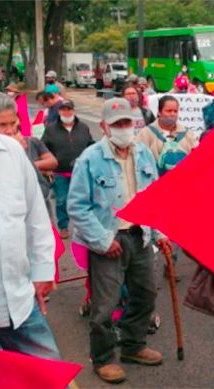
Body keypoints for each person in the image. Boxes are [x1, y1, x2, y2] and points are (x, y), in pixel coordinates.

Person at [0, 72, 61, 361]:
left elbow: (36, 217)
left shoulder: (11, 152)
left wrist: (43, 271)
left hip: (19, 300)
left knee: (49, 374)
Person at [67, 98, 166, 384]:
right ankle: (103, 358)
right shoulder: (90, 158)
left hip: (140, 235)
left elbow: (154, 200)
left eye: (127, 122)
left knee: (145, 294)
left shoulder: (144, 153)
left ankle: (134, 346)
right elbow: (77, 207)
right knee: (105, 305)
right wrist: (102, 240)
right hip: (108, 239)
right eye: (117, 124)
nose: (124, 128)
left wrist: (160, 235)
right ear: (104, 127)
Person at [0, 93, 57, 207]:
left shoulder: (29, 142)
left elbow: (39, 190)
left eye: (12, 123)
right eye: (2, 125)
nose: (9, 131)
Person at [41, 99, 94, 239]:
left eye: (69, 109)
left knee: (83, 200)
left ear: (73, 111)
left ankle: (83, 227)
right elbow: (43, 148)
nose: (66, 112)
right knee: (61, 200)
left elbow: (90, 145)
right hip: (60, 173)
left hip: (80, 172)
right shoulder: (51, 129)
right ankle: (63, 226)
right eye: (63, 109)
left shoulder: (83, 127)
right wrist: (47, 166)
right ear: (59, 112)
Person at [135, 95, 198, 173]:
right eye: (169, 111)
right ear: (159, 112)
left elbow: (197, 158)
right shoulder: (146, 133)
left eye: (175, 111)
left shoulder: (188, 134)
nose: (172, 114)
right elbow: (139, 159)